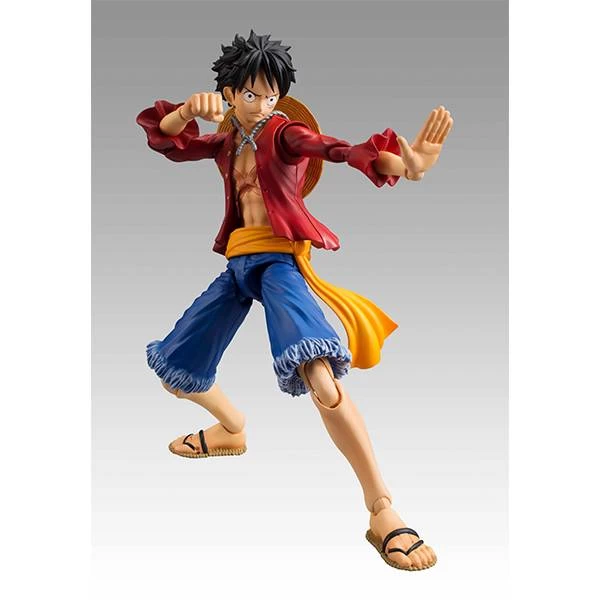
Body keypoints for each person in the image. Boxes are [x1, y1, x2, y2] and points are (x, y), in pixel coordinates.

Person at [136, 30, 453, 571]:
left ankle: (382, 510)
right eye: (251, 94)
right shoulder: (224, 141)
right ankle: (232, 428)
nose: (263, 104)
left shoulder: (284, 133)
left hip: (279, 264)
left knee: (321, 380)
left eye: (271, 94)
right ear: (230, 93)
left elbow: (337, 149)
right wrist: (186, 110)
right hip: (238, 265)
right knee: (175, 372)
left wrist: (403, 164)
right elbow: (169, 141)